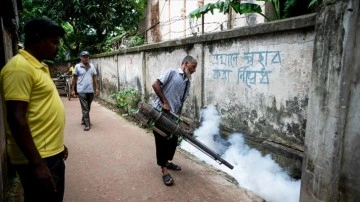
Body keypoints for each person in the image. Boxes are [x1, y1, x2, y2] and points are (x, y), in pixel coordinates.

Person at [0, 18, 68, 202]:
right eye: (53, 42)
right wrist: (37, 164)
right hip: (38, 158)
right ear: (37, 39)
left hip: (48, 152)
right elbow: (16, 118)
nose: (57, 47)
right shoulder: (19, 69)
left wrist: (58, 145)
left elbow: (40, 109)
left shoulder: (38, 66)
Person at [151, 55, 197, 186]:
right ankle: (164, 170)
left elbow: (181, 100)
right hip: (160, 113)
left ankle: (167, 162)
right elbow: (155, 84)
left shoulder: (187, 81)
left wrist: (179, 114)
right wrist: (165, 101)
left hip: (173, 116)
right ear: (186, 63)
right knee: (161, 140)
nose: (194, 70)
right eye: (193, 66)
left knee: (173, 139)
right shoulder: (172, 72)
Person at [71, 51, 99, 131]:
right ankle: (87, 124)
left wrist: (96, 88)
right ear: (81, 57)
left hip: (90, 90)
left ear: (88, 57)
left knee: (88, 107)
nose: (85, 58)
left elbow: (94, 78)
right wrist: (73, 90)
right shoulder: (77, 66)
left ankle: (83, 119)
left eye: (87, 57)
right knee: (85, 108)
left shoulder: (92, 66)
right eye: (84, 57)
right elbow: (74, 79)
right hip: (81, 90)